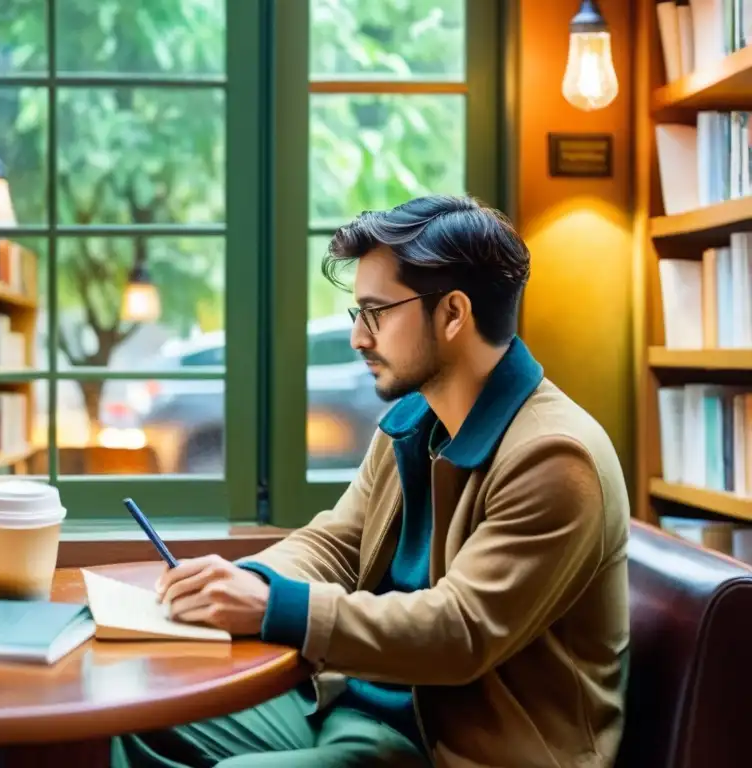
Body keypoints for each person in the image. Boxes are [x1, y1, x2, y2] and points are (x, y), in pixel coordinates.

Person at [111, 195, 630, 768]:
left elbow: (458, 632)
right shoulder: (414, 422)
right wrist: (244, 580)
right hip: (359, 705)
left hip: (454, 747)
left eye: (376, 312)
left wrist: (273, 606)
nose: (358, 337)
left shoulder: (556, 458)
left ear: (453, 314)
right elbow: (336, 541)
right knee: (132, 719)